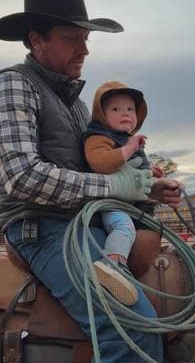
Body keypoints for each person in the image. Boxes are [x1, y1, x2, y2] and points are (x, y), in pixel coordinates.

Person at [0, 0, 183, 363]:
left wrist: (142, 189)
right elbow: (21, 176)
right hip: (40, 227)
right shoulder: (11, 85)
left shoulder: (73, 104)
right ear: (37, 39)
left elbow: (95, 169)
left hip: (82, 221)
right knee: (131, 328)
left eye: (86, 38)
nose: (85, 49)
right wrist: (114, 186)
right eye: (72, 38)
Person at [84, 80, 162, 306]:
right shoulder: (97, 138)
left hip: (131, 205)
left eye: (130, 109)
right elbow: (99, 162)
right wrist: (128, 148)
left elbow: (133, 167)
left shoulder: (125, 140)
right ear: (101, 115)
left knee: (148, 232)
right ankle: (112, 264)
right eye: (116, 109)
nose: (125, 114)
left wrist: (150, 171)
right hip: (111, 203)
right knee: (123, 227)